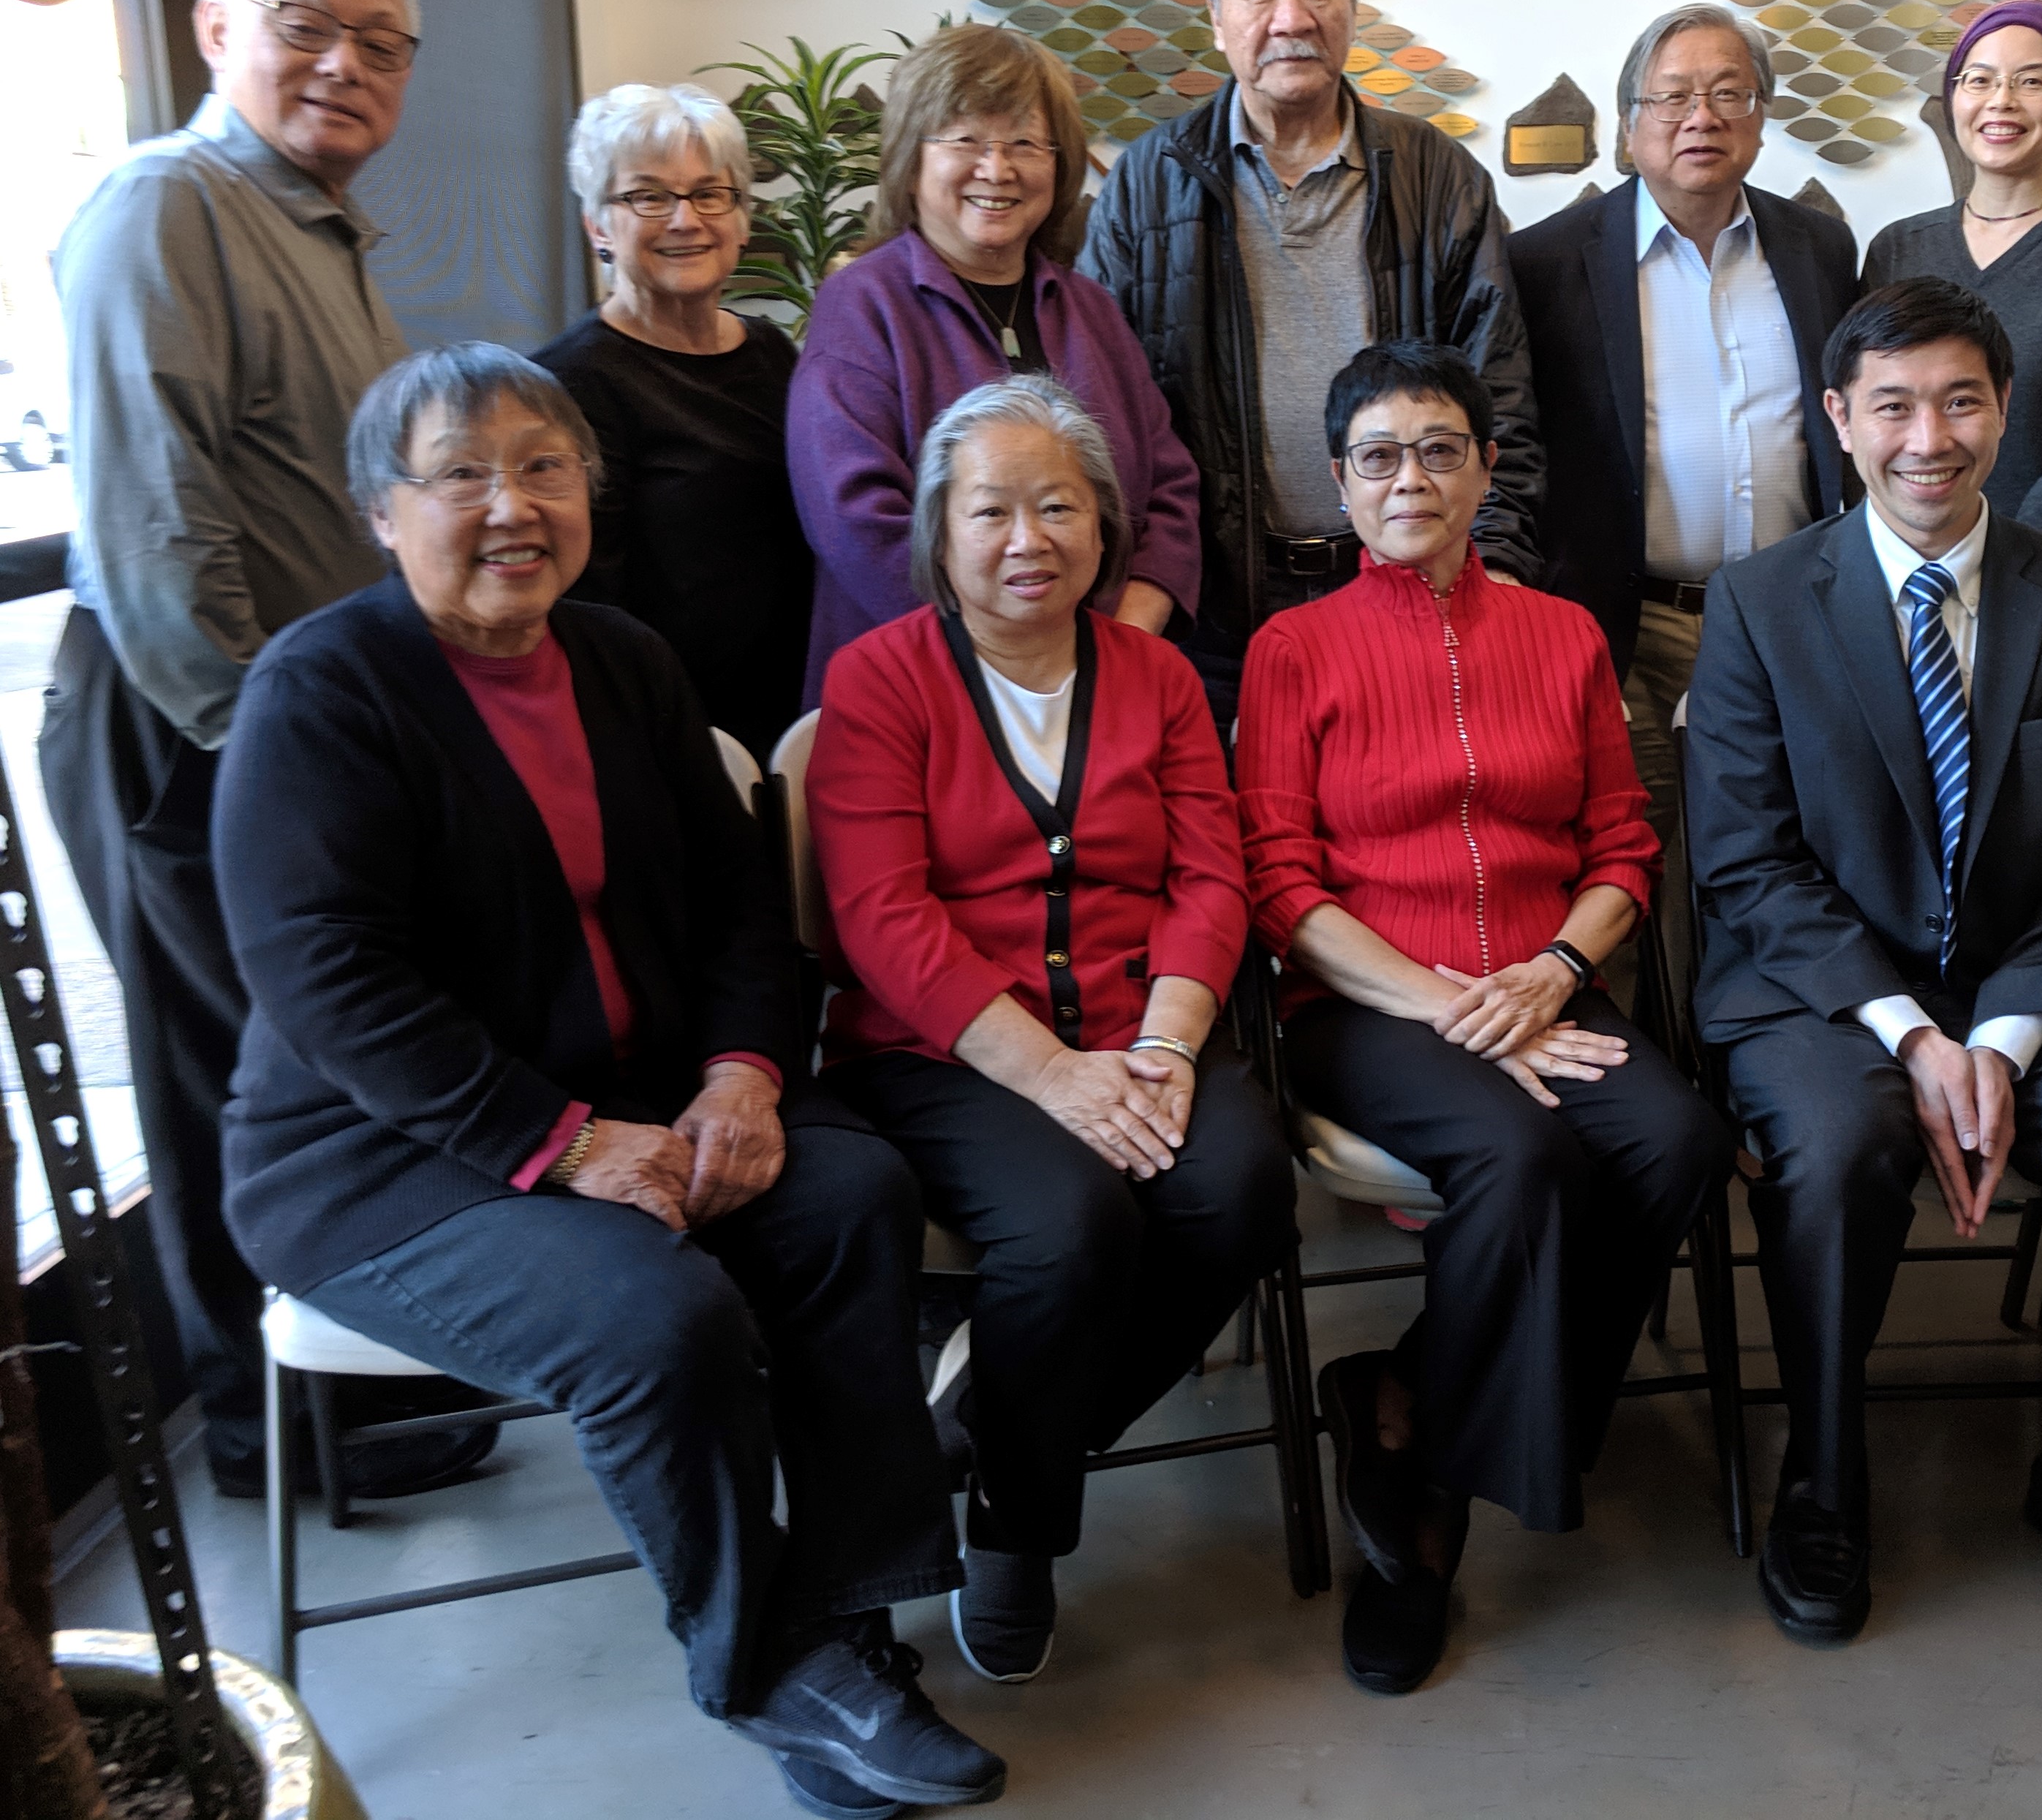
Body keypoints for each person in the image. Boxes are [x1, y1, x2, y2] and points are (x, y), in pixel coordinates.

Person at [215, 347, 1003, 1816]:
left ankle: (847, 1623)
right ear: (380, 510)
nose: (510, 503)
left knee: (849, 1190)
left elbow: (738, 909)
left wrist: (746, 1069)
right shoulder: (321, 687)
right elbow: (325, 979)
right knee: (657, 1312)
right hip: (385, 1158)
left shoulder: (627, 660)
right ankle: (767, 1664)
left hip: (643, 1098)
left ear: (589, 490)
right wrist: (562, 1141)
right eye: (461, 471)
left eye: (544, 465)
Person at [1688, 277, 2042, 1662]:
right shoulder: (1756, 605)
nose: (1930, 437)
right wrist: (1914, 1040)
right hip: (1823, 990)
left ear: (2004, 410)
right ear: (1838, 423)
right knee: (1833, 1144)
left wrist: (2002, 1037)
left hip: (2039, 983)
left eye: (1961, 401)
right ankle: (1824, 1479)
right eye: (1893, 407)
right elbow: (1745, 863)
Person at [39, 0, 491, 1500]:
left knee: (309, 1055)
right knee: (222, 1068)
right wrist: (267, 772)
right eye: (307, 24)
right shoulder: (168, 206)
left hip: (297, 738)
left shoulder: (311, 224)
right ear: (215, 31)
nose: (344, 65)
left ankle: (344, 1394)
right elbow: (159, 537)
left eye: (381, 43)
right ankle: (263, 1429)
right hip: (193, 731)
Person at [1236, 344, 1731, 1698]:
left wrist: (1556, 974)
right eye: (1380, 456)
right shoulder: (1291, 650)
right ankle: (1428, 1528)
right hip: (1366, 1003)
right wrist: (1457, 1003)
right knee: (1523, 1159)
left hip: (1546, 986)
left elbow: (1625, 847)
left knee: (1676, 1142)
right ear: (1339, 484)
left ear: (1484, 470)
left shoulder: (1564, 634)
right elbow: (1276, 883)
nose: (1412, 478)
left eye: (1439, 449)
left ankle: (1404, 1402)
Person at [807, 374, 1293, 1690]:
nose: (1028, 539)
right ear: (937, 530)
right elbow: (879, 914)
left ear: (1104, 526)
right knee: (1071, 1225)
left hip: (1147, 1036)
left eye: (1058, 507)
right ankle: (1022, 1523)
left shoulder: (1158, 677)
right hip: (944, 1053)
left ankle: (998, 1444)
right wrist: (1054, 1075)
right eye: (992, 511)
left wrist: (1171, 1046)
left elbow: (1211, 877)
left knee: (1243, 1188)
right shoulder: (880, 680)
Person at [1080, 0, 1542, 728]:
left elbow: (1498, 398)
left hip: (1405, 591)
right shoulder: (1146, 187)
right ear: (1217, 17)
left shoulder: (1439, 179)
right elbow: (1101, 422)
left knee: (1395, 843)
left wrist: (1494, 582)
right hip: (1207, 616)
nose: (1291, 16)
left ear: (1354, 5)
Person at [1510, 1, 1858, 907]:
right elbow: (1518, 443)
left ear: (1762, 116)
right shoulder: (1545, 262)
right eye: (1671, 98)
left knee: (1785, 864)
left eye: (1727, 93)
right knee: (1621, 876)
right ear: (1630, 125)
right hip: (1626, 627)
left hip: (1787, 617)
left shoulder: (1820, 247)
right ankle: (1633, 1048)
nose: (1700, 117)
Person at [791, 22, 1199, 706]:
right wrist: (1021, 671)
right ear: (910, 162)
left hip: (1102, 694)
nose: (997, 168)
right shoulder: (860, 306)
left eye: (1024, 144)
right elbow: (859, 523)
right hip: (920, 697)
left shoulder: (1090, 308)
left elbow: (1169, 493)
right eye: (966, 141)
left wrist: (1118, 650)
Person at [539, 82, 810, 760]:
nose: (685, 219)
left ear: (742, 219)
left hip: (798, 716)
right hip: (666, 734)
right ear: (598, 225)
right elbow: (584, 607)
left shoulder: (775, 353)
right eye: (648, 196)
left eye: (709, 193)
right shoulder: (566, 385)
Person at [1860, 0, 2042, 535]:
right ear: (1953, 100)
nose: (2001, 101)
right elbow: (1866, 418)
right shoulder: (1896, 249)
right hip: (1894, 558)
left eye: (2032, 82)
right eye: (1978, 80)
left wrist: (2002, 568)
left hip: (2033, 568)